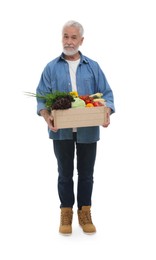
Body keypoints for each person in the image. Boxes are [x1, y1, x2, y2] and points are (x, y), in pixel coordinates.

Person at [36, 20, 115, 235]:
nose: (69, 41)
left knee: (87, 173)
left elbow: (106, 94)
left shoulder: (93, 66)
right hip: (60, 131)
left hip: (88, 130)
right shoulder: (51, 67)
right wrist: (46, 116)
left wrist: (106, 111)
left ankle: (85, 211)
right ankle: (66, 212)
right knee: (64, 173)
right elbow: (42, 98)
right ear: (61, 38)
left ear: (81, 40)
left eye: (73, 37)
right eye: (65, 36)